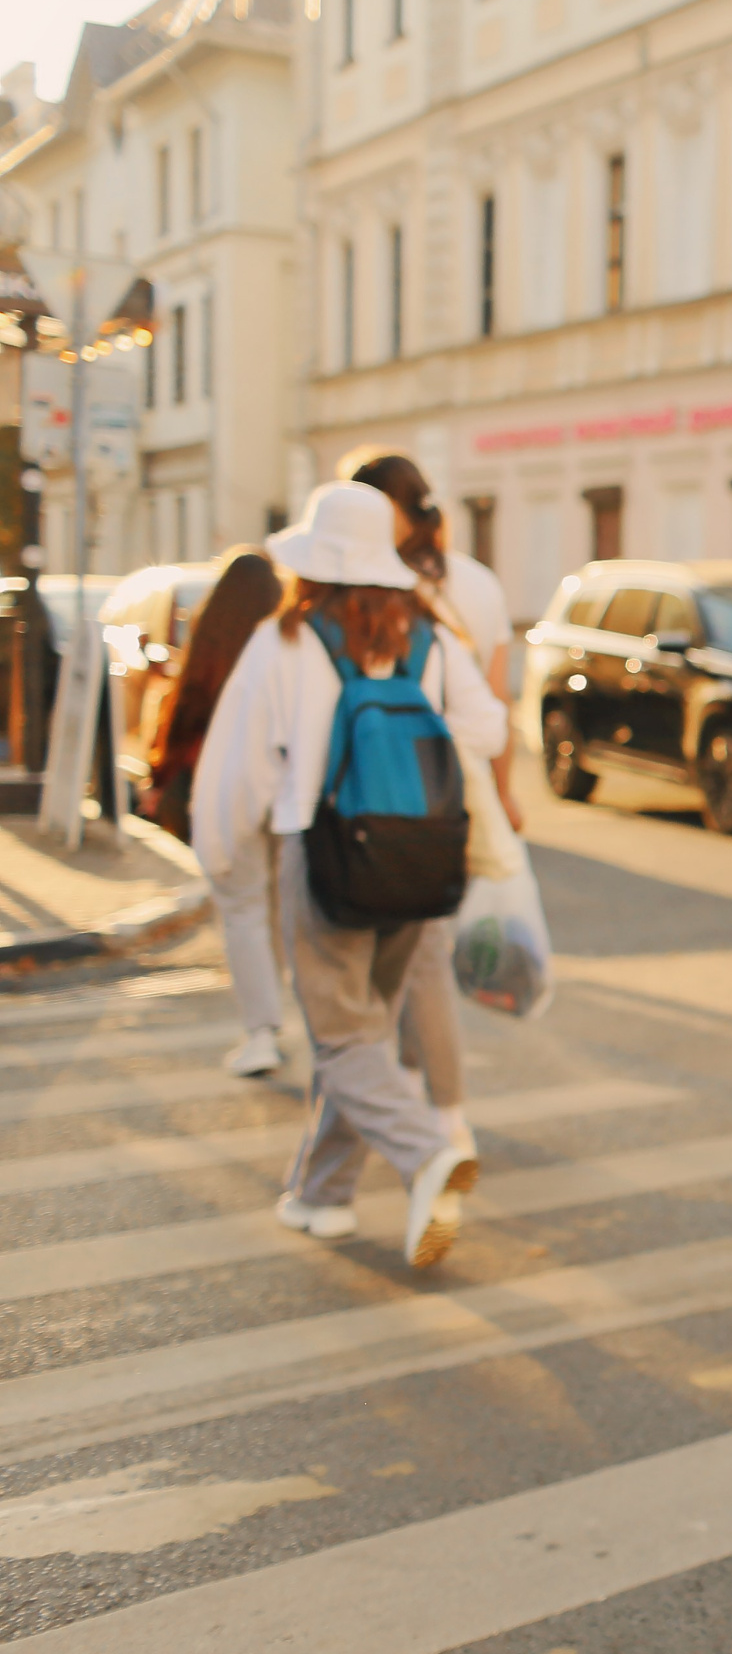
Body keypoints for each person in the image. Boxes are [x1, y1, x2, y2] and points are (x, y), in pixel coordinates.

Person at [194, 481, 505, 1269]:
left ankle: (424, 1151)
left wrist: (224, 850)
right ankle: (320, 1194)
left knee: (342, 1036)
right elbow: (488, 726)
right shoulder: (430, 633)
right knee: (362, 1034)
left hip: (327, 851)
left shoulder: (288, 638)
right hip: (421, 853)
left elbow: (241, 767)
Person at [340, 449, 517, 1160]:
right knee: (419, 955)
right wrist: (503, 796)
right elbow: (493, 707)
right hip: (454, 797)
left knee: (388, 973)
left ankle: (435, 1120)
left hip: (374, 806)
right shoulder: (475, 583)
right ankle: (425, 1106)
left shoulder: (375, 590)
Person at [145, 545, 290, 1077]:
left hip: (227, 788)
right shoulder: (286, 637)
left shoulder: (212, 637)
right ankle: (274, 1020)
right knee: (275, 908)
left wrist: (160, 776)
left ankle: (262, 1030)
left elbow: (184, 712)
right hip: (282, 787)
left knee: (244, 909)